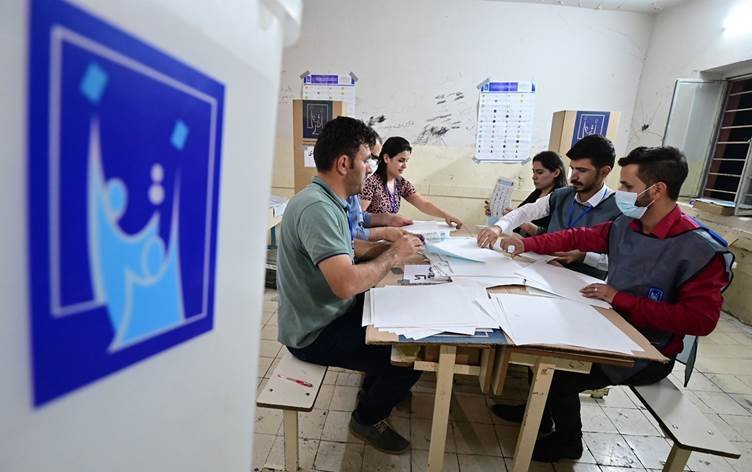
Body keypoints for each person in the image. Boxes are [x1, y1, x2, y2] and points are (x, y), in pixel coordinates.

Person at [497, 146, 734, 463]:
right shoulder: (627, 225)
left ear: (657, 190)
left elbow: (700, 321)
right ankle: (537, 414)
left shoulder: (700, 250)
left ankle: (568, 442)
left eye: (627, 186)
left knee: (561, 375)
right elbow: (576, 237)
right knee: (543, 343)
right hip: (610, 326)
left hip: (649, 350)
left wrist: (618, 297)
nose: (620, 193)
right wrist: (525, 243)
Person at [276, 116, 424, 455]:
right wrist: (392, 255)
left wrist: (387, 248)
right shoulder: (317, 208)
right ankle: (367, 418)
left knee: (396, 319)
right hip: (314, 331)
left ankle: (375, 386)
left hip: (330, 311)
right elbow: (345, 284)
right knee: (409, 359)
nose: (370, 167)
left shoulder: (330, 200)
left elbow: (347, 248)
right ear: (344, 164)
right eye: (366, 160)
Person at [477, 134, 621, 279]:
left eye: (582, 170)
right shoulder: (562, 195)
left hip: (581, 282)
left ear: (605, 171)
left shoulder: (618, 208)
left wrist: (583, 256)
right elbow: (525, 212)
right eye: (572, 169)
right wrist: (498, 227)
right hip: (544, 273)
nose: (573, 177)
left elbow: (622, 260)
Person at [359, 136, 463, 228]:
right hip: (371, 237)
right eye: (400, 160)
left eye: (406, 161)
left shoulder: (401, 183)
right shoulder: (371, 183)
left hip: (390, 235)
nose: (404, 166)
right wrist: (385, 219)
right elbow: (357, 217)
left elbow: (424, 204)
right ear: (386, 158)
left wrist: (446, 216)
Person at [347, 133, 414, 242]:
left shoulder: (400, 182)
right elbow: (351, 235)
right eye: (369, 159)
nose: (370, 169)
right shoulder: (370, 183)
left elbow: (357, 217)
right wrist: (384, 233)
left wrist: (388, 219)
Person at [484, 151, 566, 237]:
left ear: (556, 173)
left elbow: (551, 235)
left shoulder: (560, 199)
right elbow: (519, 215)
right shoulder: (536, 194)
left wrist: (518, 220)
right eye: (533, 172)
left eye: (540, 172)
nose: (534, 177)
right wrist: (498, 211)